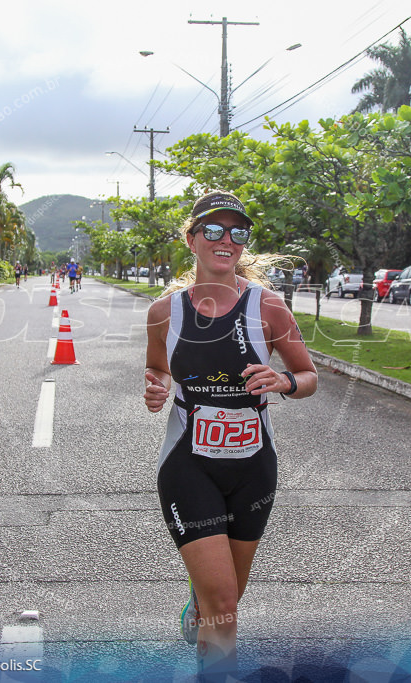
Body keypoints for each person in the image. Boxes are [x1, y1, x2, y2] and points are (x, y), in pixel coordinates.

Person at [143, 190, 318, 678]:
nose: (226, 240)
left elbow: (308, 377)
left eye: (237, 232)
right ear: (192, 239)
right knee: (224, 605)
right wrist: (156, 389)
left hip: (253, 469)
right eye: (214, 230)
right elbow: (157, 369)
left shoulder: (270, 309)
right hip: (188, 465)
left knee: (226, 599)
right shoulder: (164, 312)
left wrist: (284, 381)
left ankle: (198, 607)